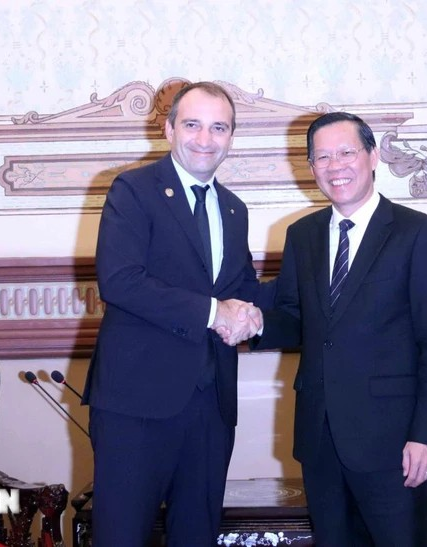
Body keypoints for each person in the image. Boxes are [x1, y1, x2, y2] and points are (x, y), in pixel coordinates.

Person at [240, 112, 427, 546]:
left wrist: (425, 436)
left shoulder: (418, 234)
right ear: (311, 167)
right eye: (322, 157)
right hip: (320, 438)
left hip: (393, 442)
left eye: (345, 152)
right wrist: (255, 322)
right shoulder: (302, 235)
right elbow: (296, 319)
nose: (334, 166)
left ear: (372, 157)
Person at [82, 81, 265, 546]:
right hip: (136, 404)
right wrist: (214, 313)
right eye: (193, 125)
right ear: (168, 129)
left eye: (219, 128)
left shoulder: (234, 209)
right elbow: (121, 280)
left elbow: (240, 289)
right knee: (122, 536)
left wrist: (257, 315)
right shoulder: (133, 189)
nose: (205, 139)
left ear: (231, 137)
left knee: (198, 535)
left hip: (212, 406)